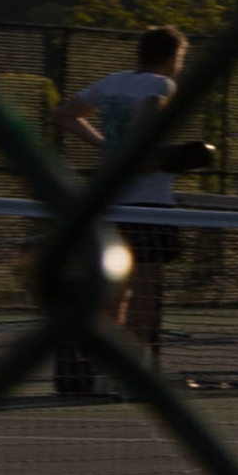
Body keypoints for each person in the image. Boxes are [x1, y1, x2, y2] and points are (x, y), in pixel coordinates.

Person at [49, 22, 187, 392]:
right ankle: (130, 371)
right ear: (172, 57)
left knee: (116, 291)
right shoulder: (161, 86)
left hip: (111, 202)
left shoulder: (111, 83)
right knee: (145, 289)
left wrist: (104, 145)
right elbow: (145, 133)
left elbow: (63, 114)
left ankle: (111, 367)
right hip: (149, 202)